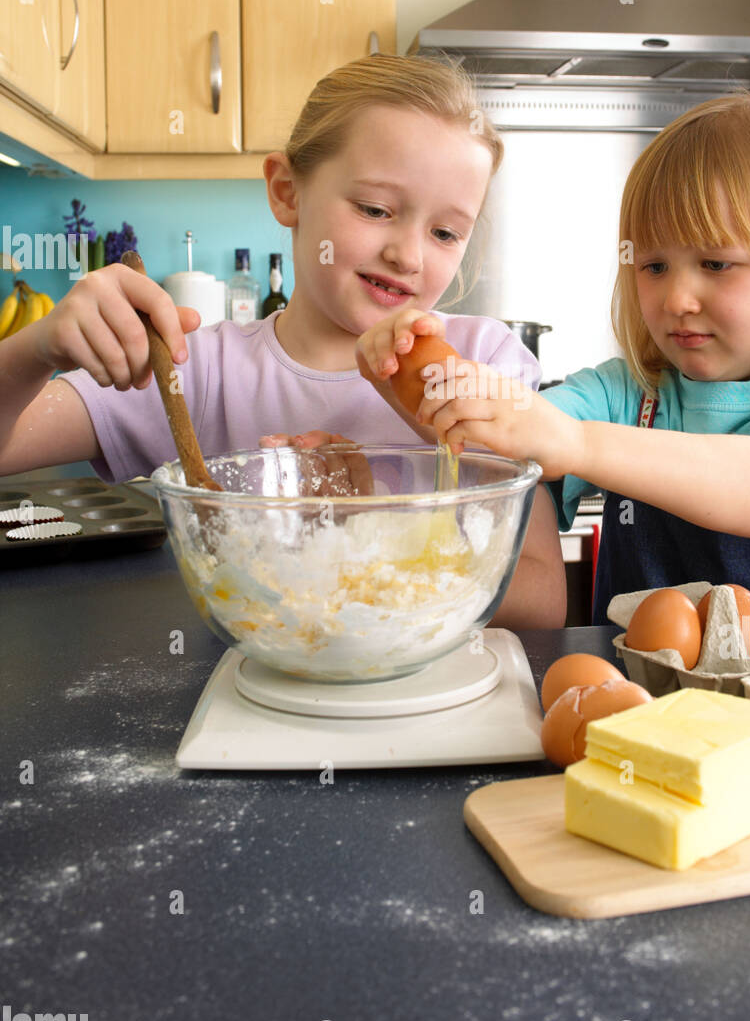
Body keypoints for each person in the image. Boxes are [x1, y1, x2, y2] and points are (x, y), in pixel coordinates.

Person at [0, 54, 566, 629]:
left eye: (445, 232)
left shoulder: (482, 366)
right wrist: (36, 347)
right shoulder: (198, 371)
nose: (409, 255)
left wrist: (369, 528)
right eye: (375, 209)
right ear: (287, 191)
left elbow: (545, 601)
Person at [361, 91, 750, 622]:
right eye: (655, 266)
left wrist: (577, 442)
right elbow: (497, 440)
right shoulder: (624, 394)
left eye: (715, 264)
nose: (676, 300)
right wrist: (405, 371)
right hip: (645, 705)